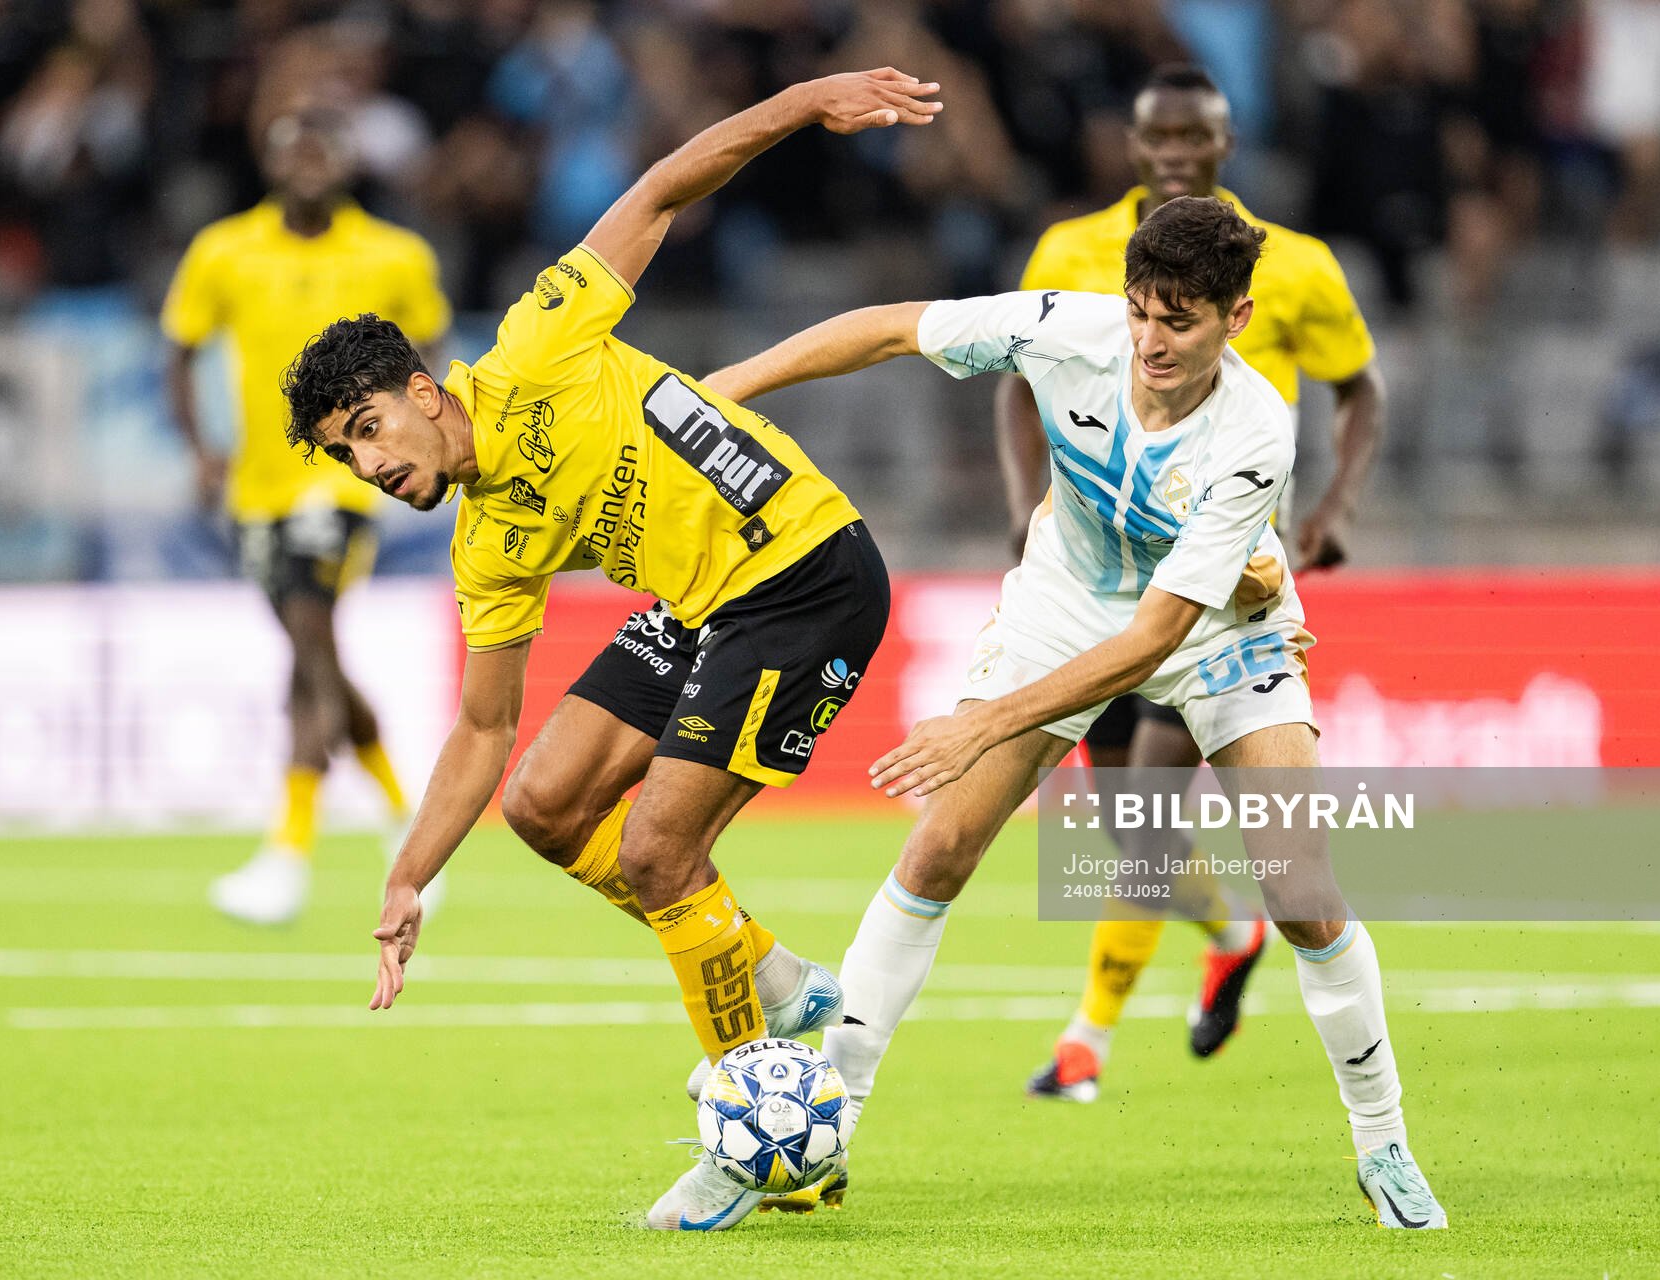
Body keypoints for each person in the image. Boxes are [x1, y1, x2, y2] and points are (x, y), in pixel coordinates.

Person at [278, 68, 942, 1231]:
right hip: (703, 603)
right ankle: (775, 976)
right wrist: (406, 873)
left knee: (655, 850)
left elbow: (666, 184)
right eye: (346, 455)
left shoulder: (540, 341)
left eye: (370, 428)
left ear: (428, 394)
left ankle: (756, 1138)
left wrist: (807, 102)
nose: (370, 465)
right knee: (541, 803)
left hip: (803, 574)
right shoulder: (489, 542)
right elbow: (485, 729)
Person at [705, 195, 1446, 1229]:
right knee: (939, 849)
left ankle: (1384, 1143)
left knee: (1303, 892)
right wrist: (718, 391)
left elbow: (1152, 640)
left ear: (1236, 320)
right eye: (1141, 309)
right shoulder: (1065, 332)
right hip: (1066, 600)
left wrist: (984, 718)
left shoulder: (1255, 433)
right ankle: (823, 1132)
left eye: (1179, 320)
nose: (1150, 339)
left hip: (1219, 629)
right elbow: (889, 326)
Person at [995, 64, 1386, 1096]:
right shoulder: (1072, 250)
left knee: (1155, 804)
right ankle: (1231, 929)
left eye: (1194, 137)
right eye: (1156, 136)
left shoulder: (1293, 266)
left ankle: (1088, 1037)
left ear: (1225, 143)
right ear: (1132, 144)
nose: (1174, 152)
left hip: (1224, 568)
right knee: (1129, 821)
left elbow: (1361, 389)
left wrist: (1332, 509)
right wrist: (1018, 501)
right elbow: (1018, 376)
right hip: (1095, 564)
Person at [162, 103, 452, 925]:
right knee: (311, 646)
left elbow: (427, 364)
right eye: (297, 147)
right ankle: (406, 818)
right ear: (271, 158)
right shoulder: (224, 251)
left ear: (347, 160)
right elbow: (179, 351)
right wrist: (201, 450)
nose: (311, 161)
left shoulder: (395, 254)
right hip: (258, 492)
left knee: (307, 642)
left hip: (347, 485)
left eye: (326, 147)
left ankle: (287, 854)